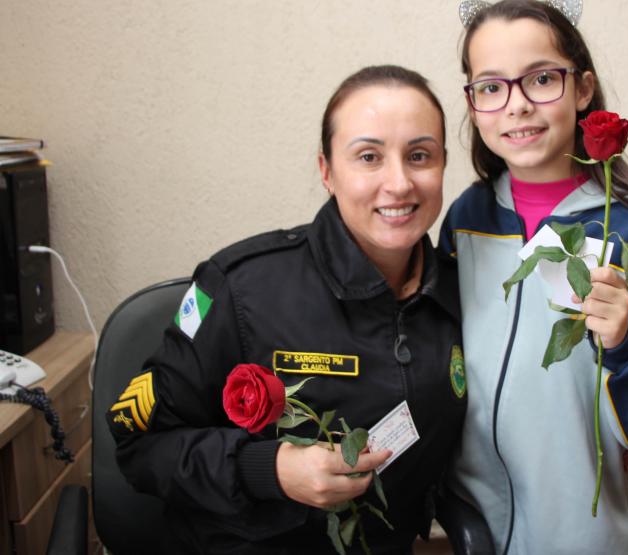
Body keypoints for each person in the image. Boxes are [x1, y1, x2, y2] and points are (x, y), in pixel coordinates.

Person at [109, 65, 466, 554]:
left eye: (419, 155)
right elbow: (140, 444)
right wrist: (269, 468)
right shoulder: (237, 287)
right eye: (368, 157)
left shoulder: (460, 291)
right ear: (327, 171)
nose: (399, 182)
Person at [438, 2, 628, 553]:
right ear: (472, 102)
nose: (516, 105)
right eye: (491, 87)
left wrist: (624, 345)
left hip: (582, 533)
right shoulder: (466, 220)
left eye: (541, 79)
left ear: (583, 88)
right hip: (474, 525)